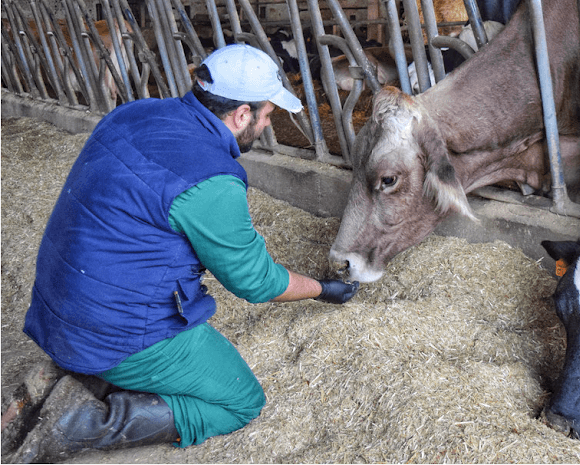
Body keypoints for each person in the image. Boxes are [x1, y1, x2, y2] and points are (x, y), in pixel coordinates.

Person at [10, 44, 359, 463]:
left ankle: (79, 372)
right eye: (267, 114)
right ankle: (82, 424)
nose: (268, 124)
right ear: (241, 115)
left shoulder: (133, 113)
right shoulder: (211, 180)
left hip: (55, 307)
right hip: (114, 329)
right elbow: (256, 282)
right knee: (241, 401)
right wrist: (321, 289)